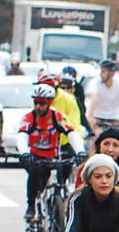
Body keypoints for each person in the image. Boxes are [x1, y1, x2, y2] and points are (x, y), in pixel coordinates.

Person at [19, 83, 84, 221]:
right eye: (36, 102)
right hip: (35, 157)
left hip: (54, 156)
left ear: (49, 103)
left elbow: (71, 134)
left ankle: (59, 206)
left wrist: (80, 151)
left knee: (62, 175)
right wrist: (25, 152)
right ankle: (31, 206)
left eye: (42, 103)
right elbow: (21, 136)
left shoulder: (58, 116)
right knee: (35, 173)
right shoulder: (29, 118)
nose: (38, 106)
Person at [86, 59, 119, 138]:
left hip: (113, 118)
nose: (101, 74)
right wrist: (90, 117)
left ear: (111, 73)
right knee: (96, 136)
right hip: (98, 117)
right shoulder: (95, 82)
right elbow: (94, 99)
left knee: (118, 138)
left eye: (103, 72)